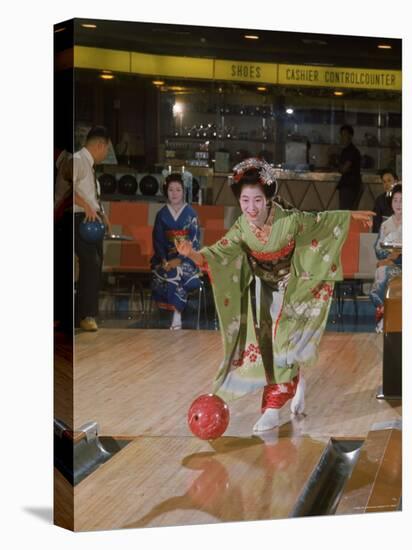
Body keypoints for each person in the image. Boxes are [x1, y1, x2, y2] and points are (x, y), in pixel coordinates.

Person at [176, 158, 374, 432]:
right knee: (270, 351)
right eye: (245, 200)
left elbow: (320, 222)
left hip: (295, 288)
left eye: (257, 200)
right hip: (264, 291)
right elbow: (218, 253)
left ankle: (271, 409)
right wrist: (192, 254)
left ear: (268, 198)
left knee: (283, 347)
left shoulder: (289, 221)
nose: (251, 208)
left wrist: (349, 217)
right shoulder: (241, 229)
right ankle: (288, 387)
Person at [151, 173, 202, 330]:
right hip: (165, 258)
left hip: (188, 258)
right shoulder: (161, 214)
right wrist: (164, 259)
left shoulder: (191, 214)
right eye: (171, 189)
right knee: (166, 273)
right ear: (166, 191)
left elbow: (194, 240)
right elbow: (158, 240)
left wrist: (180, 259)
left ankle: (177, 314)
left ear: (184, 192)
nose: (174, 193)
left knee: (180, 272)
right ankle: (171, 315)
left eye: (178, 190)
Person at [74, 126, 111, 332]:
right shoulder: (78, 161)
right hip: (78, 218)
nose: (106, 154)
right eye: (106, 149)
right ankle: (86, 315)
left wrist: (102, 214)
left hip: (91, 219)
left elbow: (92, 197)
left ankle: (81, 314)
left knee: (95, 265)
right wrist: (86, 206)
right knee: (91, 262)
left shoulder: (90, 168)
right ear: (100, 145)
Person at [369, 184, 402, 333]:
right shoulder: (385, 224)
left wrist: (398, 255)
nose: (399, 204)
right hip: (392, 264)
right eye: (395, 200)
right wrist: (389, 256)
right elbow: (378, 248)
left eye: (402, 200)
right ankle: (384, 314)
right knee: (381, 272)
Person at [336, 124, 363, 209]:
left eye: (345, 135)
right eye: (341, 135)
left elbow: (343, 169)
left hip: (350, 187)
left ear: (350, 136)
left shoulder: (352, 151)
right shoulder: (345, 150)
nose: (342, 137)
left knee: (346, 213)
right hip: (347, 186)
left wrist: (340, 167)